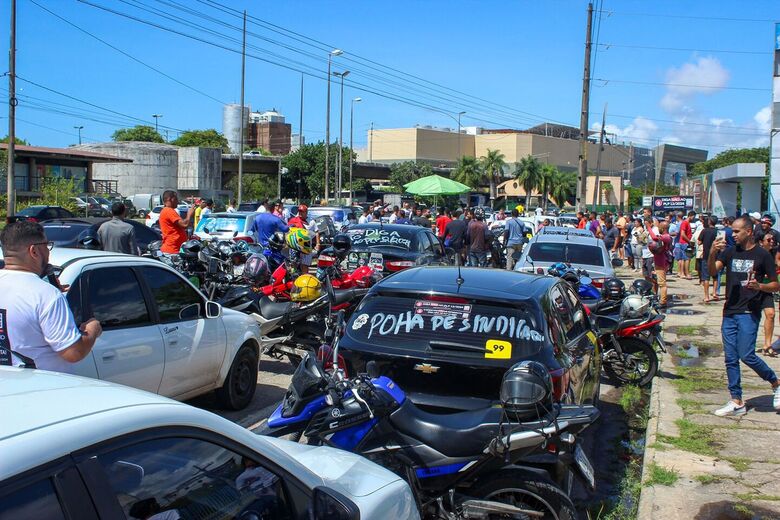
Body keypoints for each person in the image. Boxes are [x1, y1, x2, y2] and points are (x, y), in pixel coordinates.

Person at [0, 221, 103, 370]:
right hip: (43, 383)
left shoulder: (43, 292)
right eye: (47, 246)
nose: (49, 253)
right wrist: (92, 330)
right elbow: (73, 352)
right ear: (34, 251)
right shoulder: (46, 295)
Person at [707, 215, 780, 416]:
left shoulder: (762, 255)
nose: (733, 235)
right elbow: (712, 271)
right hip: (730, 311)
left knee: (746, 355)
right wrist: (712, 252)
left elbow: (776, 284)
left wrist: (760, 286)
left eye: (737, 231)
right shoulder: (730, 252)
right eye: (732, 231)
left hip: (749, 311)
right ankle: (736, 400)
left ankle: (775, 382)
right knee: (730, 358)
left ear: (748, 231)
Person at [287, 204, 318, 273]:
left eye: (302, 211)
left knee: (305, 265)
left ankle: (305, 277)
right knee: (294, 264)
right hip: (295, 246)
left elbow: (316, 232)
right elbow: (288, 231)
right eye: (299, 211)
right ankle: (294, 277)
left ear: (306, 212)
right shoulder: (293, 220)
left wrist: (318, 244)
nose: (300, 213)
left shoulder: (311, 221)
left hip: (307, 246)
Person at [648, 220, 672, 307]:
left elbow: (654, 238)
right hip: (659, 260)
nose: (658, 229)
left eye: (659, 227)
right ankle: (657, 298)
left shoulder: (666, 237)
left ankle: (663, 301)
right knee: (657, 280)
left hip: (661, 262)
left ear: (663, 228)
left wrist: (648, 227)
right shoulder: (664, 236)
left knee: (662, 283)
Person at [698, 216, 717, 302]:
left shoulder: (704, 231)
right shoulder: (718, 231)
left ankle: (706, 296)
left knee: (706, 277)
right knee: (715, 276)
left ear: (709, 222)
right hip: (716, 256)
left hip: (706, 256)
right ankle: (715, 293)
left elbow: (699, 242)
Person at [674, 211, 694, 280]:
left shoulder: (685, 223)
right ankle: (686, 273)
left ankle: (683, 273)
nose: (694, 219)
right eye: (693, 217)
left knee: (683, 259)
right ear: (690, 216)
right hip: (685, 243)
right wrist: (689, 241)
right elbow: (682, 234)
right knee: (687, 259)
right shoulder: (685, 223)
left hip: (683, 242)